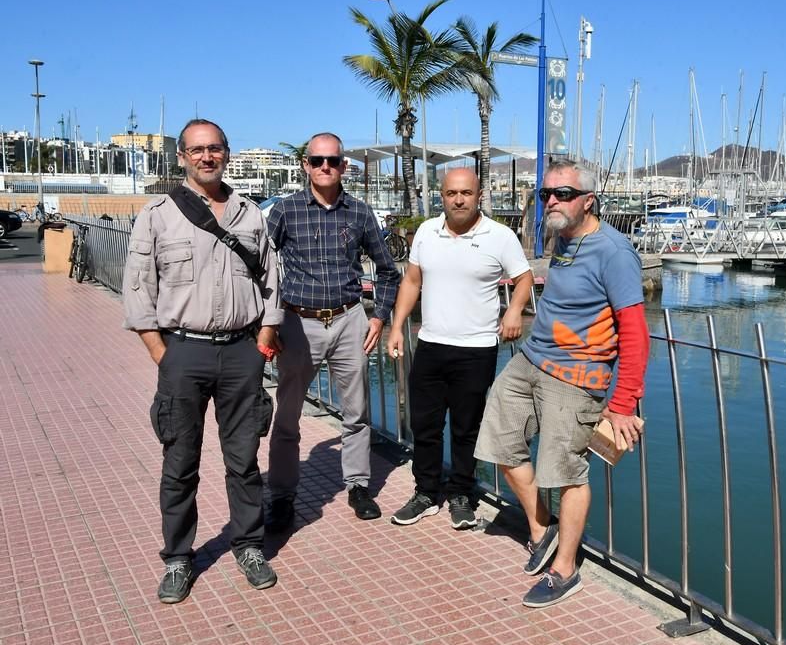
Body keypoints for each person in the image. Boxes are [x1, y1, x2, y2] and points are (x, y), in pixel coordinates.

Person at [474, 159, 650, 608]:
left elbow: (634, 332)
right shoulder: (563, 238)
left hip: (576, 379)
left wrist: (624, 402)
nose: (552, 200)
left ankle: (564, 568)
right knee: (497, 442)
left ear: (589, 201)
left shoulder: (614, 252)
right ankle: (541, 528)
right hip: (531, 362)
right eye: (546, 193)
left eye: (564, 194)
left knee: (565, 472)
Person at [123, 118, 282, 604]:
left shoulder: (250, 215)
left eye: (214, 149)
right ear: (181, 157)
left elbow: (271, 281)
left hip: (241, 352)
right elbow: (137, 287)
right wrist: (160, 352)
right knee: (179, 462)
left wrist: (265, 339)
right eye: (197, 150)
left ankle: (249, 545)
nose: (206, 157)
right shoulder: (158, 215)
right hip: (182, 352)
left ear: (227, 154)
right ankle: (177, 558)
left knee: (244, 460)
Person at [265, 132, 400, 529]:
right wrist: (267, 322)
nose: (325, 166)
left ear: (343, 166)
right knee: (287, 413)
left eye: (333, 160)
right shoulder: (285, 211)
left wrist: (379, 317)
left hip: (348, 318)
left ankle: (358, 486)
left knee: (356, 412)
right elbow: (260, 266)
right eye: (317, 160)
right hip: (297, 321)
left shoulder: (359, 213)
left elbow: (388, 270)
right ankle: (283, 495)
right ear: (306, 165)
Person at [386, 168, 532, 529]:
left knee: (467, 428)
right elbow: (412, 281)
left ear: (479, 195)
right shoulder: (426, 232)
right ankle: (425, 493)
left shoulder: (499, 236)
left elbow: (524, 277)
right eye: (452, 193)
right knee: (425, 425)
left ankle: (462, 495)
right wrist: (397, 327)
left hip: (477, 349)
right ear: (442, 196)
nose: (459, 199)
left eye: (466, 192)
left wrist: (514, 309)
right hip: (431, 344)